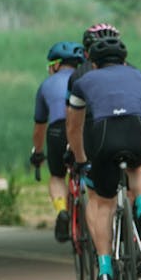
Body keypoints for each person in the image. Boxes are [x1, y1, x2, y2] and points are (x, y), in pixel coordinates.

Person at [66, 37, 141, 280]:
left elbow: (73, 128)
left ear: (93, 63)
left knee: (102, 202)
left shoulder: (82, 82)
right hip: (137, 131)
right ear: (124, 59)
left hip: (103, 135)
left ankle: (105, 271)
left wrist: (82, 159)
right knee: (138, 168)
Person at [31, 41, 85, 242]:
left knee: (57, 175)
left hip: (57, 130)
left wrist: (37, 152)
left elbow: (39, 127)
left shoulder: (46, 85)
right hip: (83, 128)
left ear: (56, 64)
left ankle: (62, 210)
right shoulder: (85, 78)